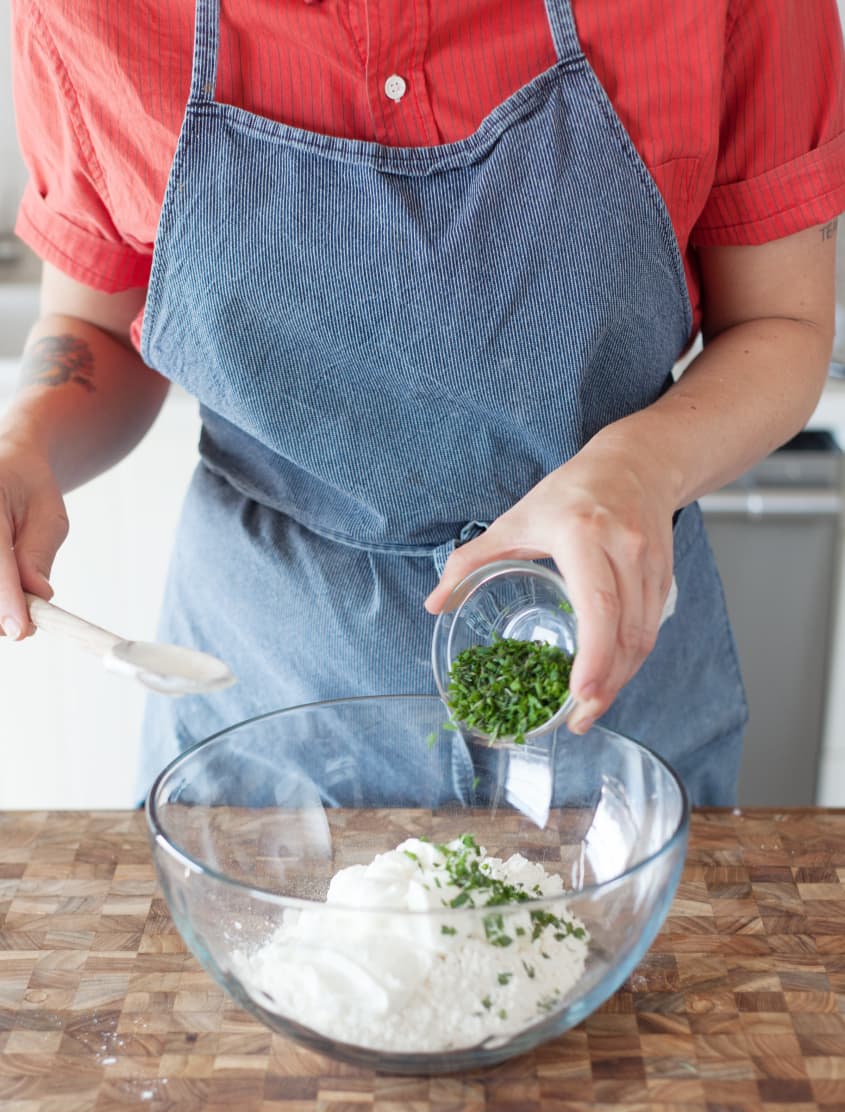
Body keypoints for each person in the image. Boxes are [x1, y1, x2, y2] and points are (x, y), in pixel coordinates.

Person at [3, 0, 844, 805]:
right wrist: (24, 446)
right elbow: (96, 326)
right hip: (268, 703)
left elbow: (778, 319)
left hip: (601, 660)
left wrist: (637, 467)